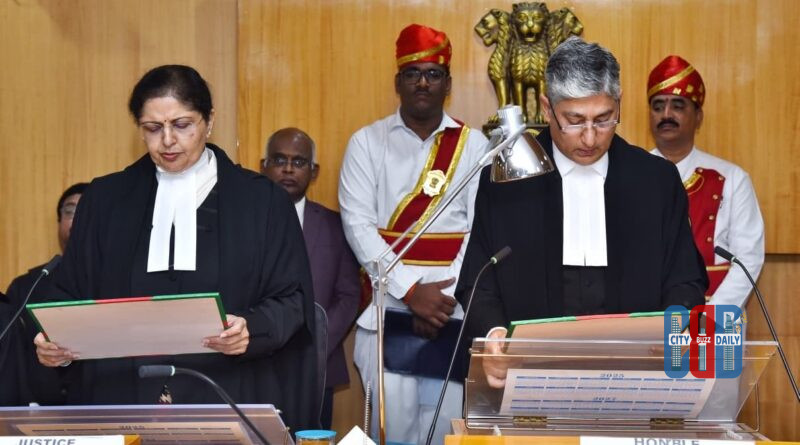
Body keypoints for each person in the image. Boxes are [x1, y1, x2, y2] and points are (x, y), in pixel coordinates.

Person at [32, 65, 318, 431]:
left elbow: (292, 299)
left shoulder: (262, 201)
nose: (167, 140)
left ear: (209, 121)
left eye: (182, 125)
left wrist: (252, 329)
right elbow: (69, 293)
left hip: (228, 392)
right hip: (121, 397)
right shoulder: (105, 200)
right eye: (153, 128)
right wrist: (53, 341)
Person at [456, 37, 707, 388]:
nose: (590, 138)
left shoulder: (656, 180)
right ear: (547, 108)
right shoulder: (507, 180)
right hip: (528, 375)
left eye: (604, 120)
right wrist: (495, 336)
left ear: (618, 105)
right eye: (574, 121)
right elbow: (478, 280)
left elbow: (686, 278)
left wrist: (673, 327)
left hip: (634, 376)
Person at [339, 24, 488, 445]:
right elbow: (357, 226)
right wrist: (410, 292)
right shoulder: (366, 143)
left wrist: (441, 301)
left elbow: (481, 230)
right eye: (412, 73)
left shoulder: (474, 145)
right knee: (394, 433)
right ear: (397, 82)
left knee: (449, 433)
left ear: (448, 84)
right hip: (388, 308)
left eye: (433, 73)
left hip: (453, 310)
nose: (423, 82)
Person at [261, 127, 360, 429]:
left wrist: (317, 342)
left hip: (318, 365)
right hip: (258, 365)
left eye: (299, 162)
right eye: (279, 160)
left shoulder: (335, 225)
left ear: (314, 171)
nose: (288, 169)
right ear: (263, 166)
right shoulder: (245, 224)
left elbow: (349, 295)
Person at [648, 55, 764, 307]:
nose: (666, 114)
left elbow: (748, 258)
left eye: (678, 105)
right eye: (658, 106)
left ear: (698, 116)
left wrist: (709, 317)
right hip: (647, 321)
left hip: (715, 317)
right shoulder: (631, 175)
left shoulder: (733, 179)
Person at [2, 183, 87, 405]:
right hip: (36, 411)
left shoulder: (116, 283)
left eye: (86, 211)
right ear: (59, 223)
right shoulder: (26, 286)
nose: (77, 219)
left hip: (103, 406)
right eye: (70, 211)